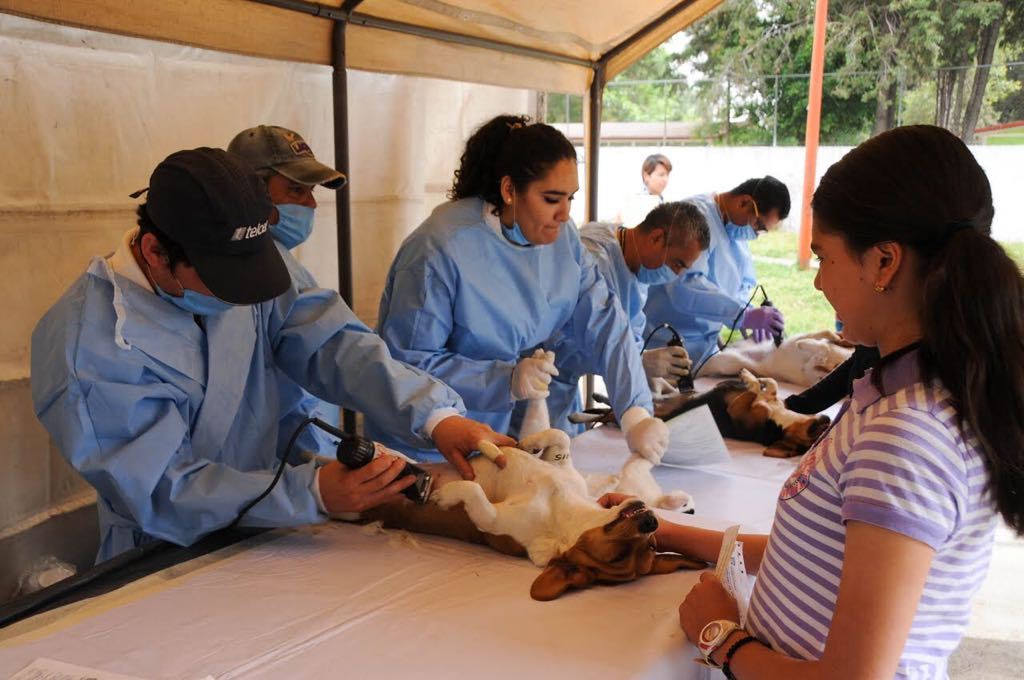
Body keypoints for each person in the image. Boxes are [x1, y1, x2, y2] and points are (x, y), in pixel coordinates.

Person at [625, 125, 1024, 679]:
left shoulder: (907, 433)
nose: (816, 283)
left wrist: (721, 638)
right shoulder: (896, 396)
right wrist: (664, 530)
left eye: (824, 257)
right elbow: (813, 553)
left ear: (883, 263)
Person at [31, 148, 514, 562]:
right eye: (223, 286)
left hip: (278, 526)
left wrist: (433, 415)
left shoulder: (246, 258)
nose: (241, 300)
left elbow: (329, 340)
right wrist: (311, 492)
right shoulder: (90, 347)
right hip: (164, 553)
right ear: (156, 252)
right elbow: (161, 490)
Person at [368, 114, 667, 463]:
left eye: (571, 198)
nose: (564, 213)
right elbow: (409, 363)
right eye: (552, 199)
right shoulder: (439, 248)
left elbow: (604, 319)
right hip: (424, 440)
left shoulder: (563, 239)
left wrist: (635, 412)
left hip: (491, 431)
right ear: (510, 190)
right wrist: (503, 379)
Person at [540, 200, 711, 433]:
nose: (677, 274)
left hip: (562, 393)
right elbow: (558, 344)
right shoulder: (592, 257)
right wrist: (635, 362)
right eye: (677, 263)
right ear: (657, 238)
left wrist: (641, 376)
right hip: (536, 388)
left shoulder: (635, 266)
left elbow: (628, 332)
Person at [228, 124, 347, 455]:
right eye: (296, 191)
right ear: (250, 191)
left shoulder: (282, 264)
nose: (311, 205)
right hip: (278, 462)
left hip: (302, 455)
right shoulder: (241, 270)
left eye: (311, 192)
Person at [643, 176, 790, 369]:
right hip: (663, 345)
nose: (756, 234)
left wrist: (754, 313)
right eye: (759, 225)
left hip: (704, 349)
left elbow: (739, 284)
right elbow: (684, 288)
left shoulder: (735, 231)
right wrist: (743, 315)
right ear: (744, 202)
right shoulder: (692, 218)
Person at [619, 153, 672, 227]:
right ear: (646, 176)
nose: (665, 179)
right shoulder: (636, 202)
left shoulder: (661, 200)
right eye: (661, 175)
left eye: (667, 175)